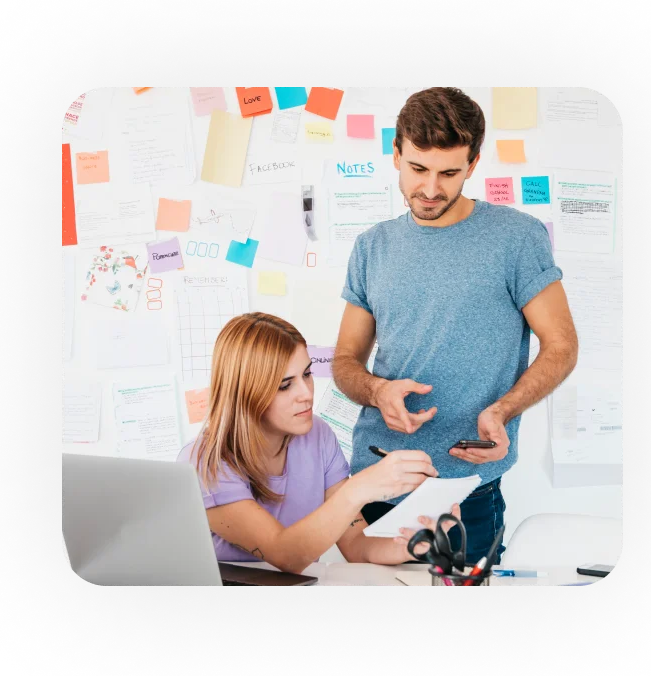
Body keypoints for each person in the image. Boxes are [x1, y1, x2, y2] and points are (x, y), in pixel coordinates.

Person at [332, 87, 579, 565]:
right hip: (375, 478)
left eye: (448, 173)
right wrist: (377, 391)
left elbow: (562, 345)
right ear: (396, 154)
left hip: (466, 490)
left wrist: (503, 410)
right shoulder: (371, 246)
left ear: (473, 164)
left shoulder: (517, 237)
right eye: (417, 169)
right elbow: (344, 361)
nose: (430, 189)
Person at [178, 312, 460, 575]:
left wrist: (413, 543)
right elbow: (284, 556)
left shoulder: (318, 435)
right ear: (245, 393)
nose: (306, 393)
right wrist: (360, 488)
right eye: (285, 385)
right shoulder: (205, 460)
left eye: (307, 374)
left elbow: (356, 544)